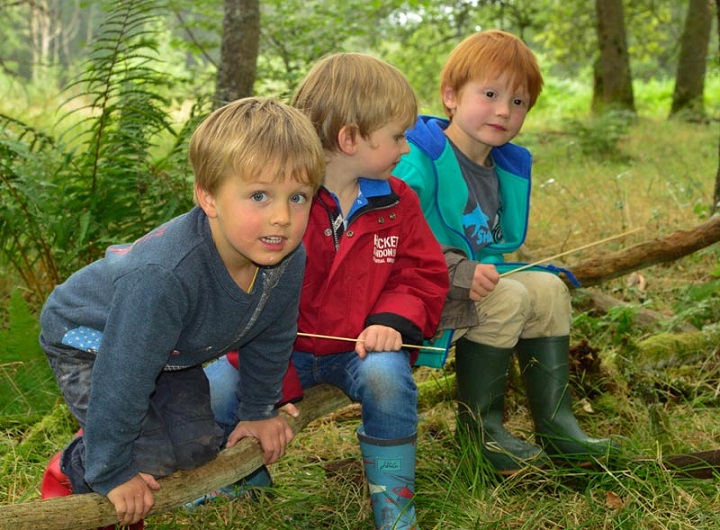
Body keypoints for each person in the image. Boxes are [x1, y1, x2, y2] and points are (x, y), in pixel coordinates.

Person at [37, 96, 325, 528]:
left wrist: (258, 411)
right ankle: (76, 465)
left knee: (198, 448)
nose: (282, 217)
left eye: (298, 197)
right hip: (93, 343)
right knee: (144, 458)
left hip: (170, 351)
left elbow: (272, 335)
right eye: (259, 195)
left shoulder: (286, 259)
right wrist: (112, 470)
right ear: (208, 197)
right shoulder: (165, 277)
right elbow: (124, 374)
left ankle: (109, 448)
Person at [203, 53, 449, 529]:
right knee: (213, 392)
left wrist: (390, 322)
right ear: (350, 137)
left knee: (387, 380)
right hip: (273, 353)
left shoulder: (397, 201)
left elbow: (421, 274)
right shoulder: (285, 206)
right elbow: (245, 295)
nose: (406, 147)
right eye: (398, 136)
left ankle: (394, 504)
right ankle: (242, 479)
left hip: (358, 346)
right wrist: (275, 386)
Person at [393, 30, 616, 475]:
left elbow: (489, 248)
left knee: (549, 289)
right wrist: (458, 271)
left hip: (463, 286)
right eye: (490, 94)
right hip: (414, 295)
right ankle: (480, 432)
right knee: (508, 296)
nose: (503, 110)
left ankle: (557, 425)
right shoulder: (418, 160)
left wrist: (499, 268)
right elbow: (392, 242)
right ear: (451, 96)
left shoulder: (501, 167)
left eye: (518, 102)